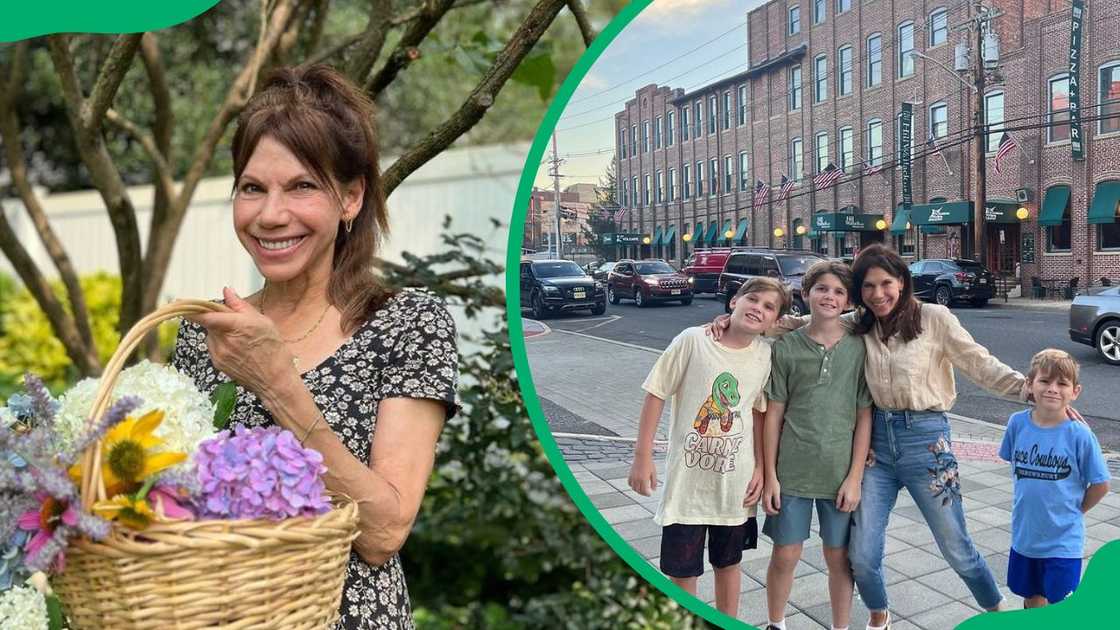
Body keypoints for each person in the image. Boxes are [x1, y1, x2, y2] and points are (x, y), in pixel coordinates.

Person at [171, 64, 458, 630]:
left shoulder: (407, 324)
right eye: (252, 188)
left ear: (350, 198)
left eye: (301, 186)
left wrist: (278, 384)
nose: (270, 214)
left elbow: (383, 533)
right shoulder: (204, 332)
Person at [710, 244, 1046, 629]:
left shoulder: (934, 317)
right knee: (863, 554)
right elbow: (805, 324)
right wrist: (732, 321)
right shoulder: (860, 322)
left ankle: (997, 611)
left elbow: (978, 362)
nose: (878, 294)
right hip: (877, 448)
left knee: (955, 545)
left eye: (885, 283)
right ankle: (879, 614)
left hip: (927, 442)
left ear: (901, 282)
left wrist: (1028, 390)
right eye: (868, 286)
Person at [628, 278, 791, 617]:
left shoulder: (765, 355)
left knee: (729, 564)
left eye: (769, 307)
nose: (758, 308)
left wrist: (762, 467)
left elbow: (759, 414)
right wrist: (642, 457)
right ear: (734, 301)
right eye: (753, 299)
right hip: (687, 487)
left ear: (775, 321)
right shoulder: (693, 340)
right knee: (682, 570)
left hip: (735, 486)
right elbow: (656, 392)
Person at [760, 261, 872, 630]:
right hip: (792, 470)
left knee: (839, 557)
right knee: (786, 553)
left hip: (839, 473)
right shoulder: (787, 347)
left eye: (839, 292)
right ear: (806, 293)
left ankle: (841, 625)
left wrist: (855, 477)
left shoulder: (858, 347)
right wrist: (770, 476)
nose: (830, 296)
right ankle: (777, 621)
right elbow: (774, 413)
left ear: (848, 301)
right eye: (822, 288)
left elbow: (864, 416)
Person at [999, 349, 1109, 609]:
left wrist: (1076, 510)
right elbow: (1012, 462)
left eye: (1062, 383)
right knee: (1031, 597)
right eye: (1044, 381)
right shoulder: (1017, 424)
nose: (1052, 389)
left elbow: (1101, 484)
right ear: (1029, 384)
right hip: (1026, 537)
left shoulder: (1080, 435)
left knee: (1062, 605)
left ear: (1075, 392)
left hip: (1063, 542)